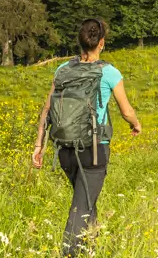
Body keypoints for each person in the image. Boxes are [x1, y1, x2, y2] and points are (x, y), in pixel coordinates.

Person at [33, 18, 141, 256]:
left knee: (86, 202)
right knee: (81, 207)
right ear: (101, 43)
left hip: (65, 151)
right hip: (93, 151)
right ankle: (69, 254)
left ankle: (91, 250)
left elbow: (46, 108)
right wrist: (136, 124)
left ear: (80, 42)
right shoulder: (109, 72)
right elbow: (126, 111)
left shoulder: (63, 70)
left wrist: (39, 144)